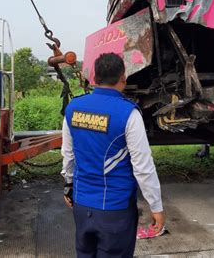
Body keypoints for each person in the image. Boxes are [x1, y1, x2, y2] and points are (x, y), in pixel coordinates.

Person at [61, 53, 165, 257]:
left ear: (93, 78)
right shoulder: (128, 113)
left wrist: (68, 185)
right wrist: (156, 206)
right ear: (123, 78)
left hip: (82, 206)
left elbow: (68, 154)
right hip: (115, 211)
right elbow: (143, 167)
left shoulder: (73, 108)